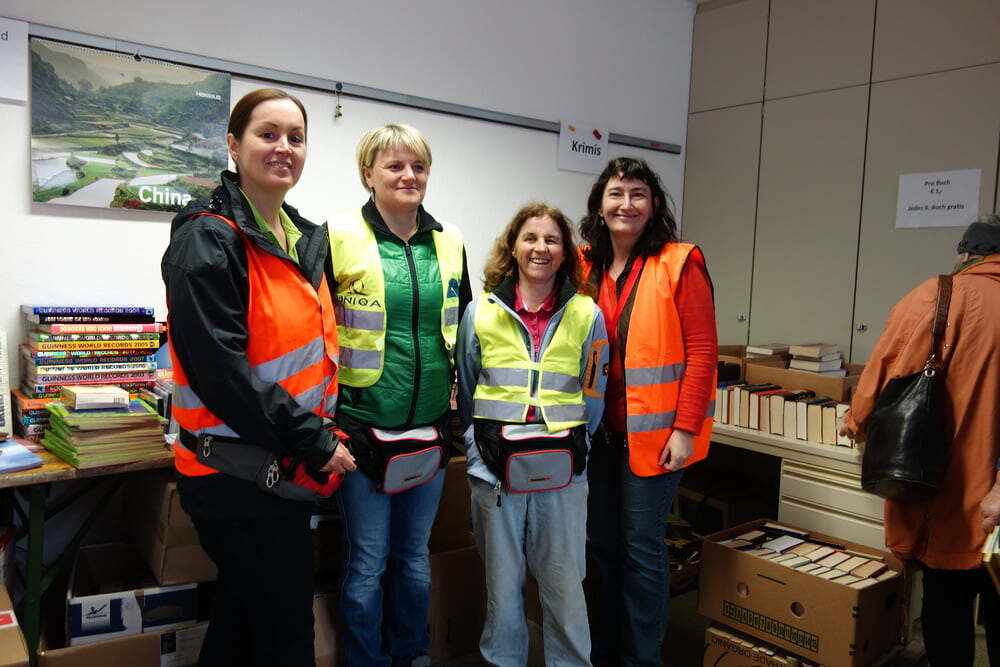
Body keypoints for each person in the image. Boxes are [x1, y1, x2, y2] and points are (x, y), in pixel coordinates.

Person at [162, 88, 356, 666]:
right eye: (267, 134)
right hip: (234, 476)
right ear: (233, 144)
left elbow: (310, 357)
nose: (283, 148)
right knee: (285, 634)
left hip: (283, 465)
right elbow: (221, 372)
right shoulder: (207, 238)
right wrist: (314, 439)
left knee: (243, 621)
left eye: (296, 138)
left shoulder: (302, 238)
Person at [329, 123, 471, 666]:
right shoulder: (338, 236)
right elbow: (317, 335)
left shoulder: (449, 241)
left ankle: (411, 655)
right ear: (368, 174)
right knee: (367, 563)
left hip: (430, 429)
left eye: (418, 166)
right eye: (395, 166)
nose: (409, 176)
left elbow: (466, 331)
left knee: (413, 558)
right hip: (362, 430)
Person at [578, 157, 718, 666]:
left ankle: (641, 659)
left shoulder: (680, 262)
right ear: (600, 204)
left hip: (655, 439)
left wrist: (685, 429)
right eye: (616, 194)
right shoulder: (584, 265)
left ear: (654, 204)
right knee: (601, 548)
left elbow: (702, 351)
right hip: (596, 436)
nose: (627, 204)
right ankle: (605, 652)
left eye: (638, 193)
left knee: (641, 550)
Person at [843, 215, 1000, 666]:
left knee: (947, 608)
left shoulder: (941, 295)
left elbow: (885, 373)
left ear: (967, 255)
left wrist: (855, 423)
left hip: (953, 494)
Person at [456, 203, 609, 665]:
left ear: (565, 252)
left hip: (563, 471)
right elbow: (468, 389)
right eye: (530, 238)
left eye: (551, 239)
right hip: (494, 472)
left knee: (565, 588)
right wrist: (477, 447)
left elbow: (594, 394)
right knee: (502, 590)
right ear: (513, 247)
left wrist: (576, 446)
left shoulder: (587, 314)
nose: (540, 248)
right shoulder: (480, 311)